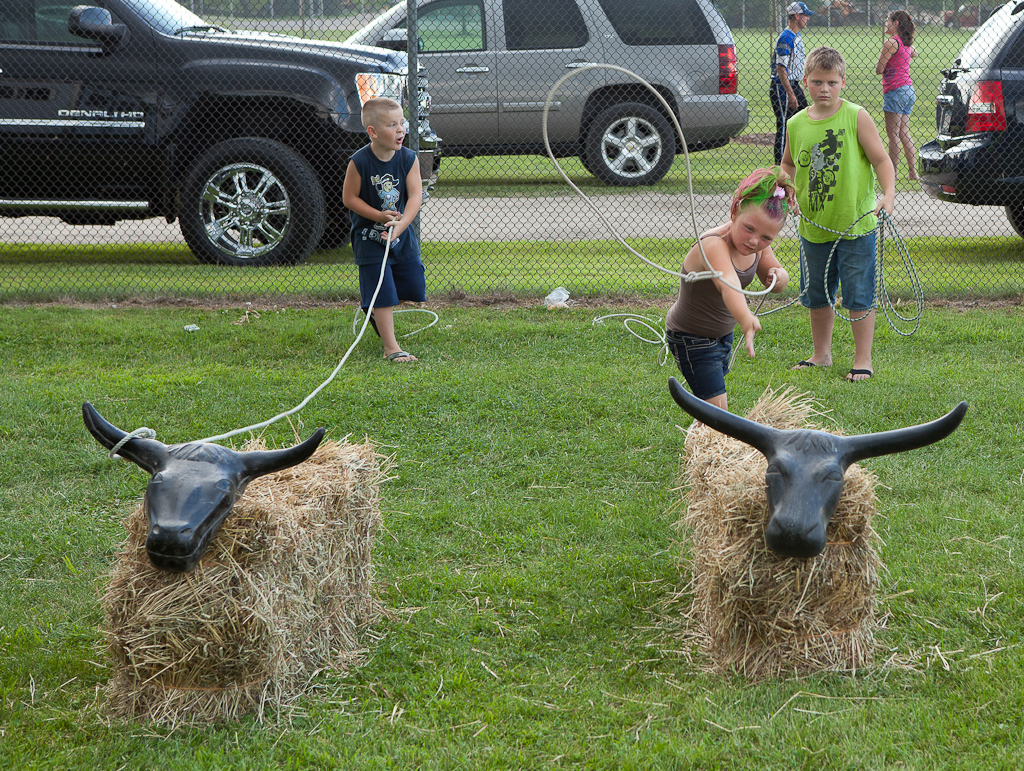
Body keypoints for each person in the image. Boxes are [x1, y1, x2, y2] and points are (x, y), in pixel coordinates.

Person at [781, 46, 896, 382]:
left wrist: (888, 194)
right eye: (817, 82)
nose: (824, 89)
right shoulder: (796, 123)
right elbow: (787, 163)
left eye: (831, 82)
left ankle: (863, 361)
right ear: (804, 82)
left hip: (856, 227)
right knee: (817, 294)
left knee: (859, 294)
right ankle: (821, 354)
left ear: (843, 82)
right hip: (814, 229)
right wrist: (786, 185)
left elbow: (881, 161)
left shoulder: (856, 116)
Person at [665, 167, 793, 411]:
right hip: (692, 338)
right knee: (719, 413)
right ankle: (708, 446)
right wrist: (745, 318)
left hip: (722, 336)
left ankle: (702, 442)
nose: (755, 241)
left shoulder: (757, 244)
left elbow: (776, 278)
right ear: (734, 212)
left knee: (710, 408)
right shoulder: (714, 245)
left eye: (767, 238)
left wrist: (779, 276)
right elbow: (729, 285)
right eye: (749, 229)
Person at [342, 97, 425, 363]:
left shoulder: (409, 158)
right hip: (369, 239)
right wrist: (378, 215)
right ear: (373, 132)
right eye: (392, 124)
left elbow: (415, 196)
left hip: (400, 236)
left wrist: (401, 225)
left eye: (402, 122)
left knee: (413, 284)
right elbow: (350, 198)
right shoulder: (359, 162)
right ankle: (391, 347)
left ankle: (373, 308)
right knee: (382, 292)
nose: (401, 129)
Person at [875, 10, 919, 181]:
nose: (885, 23)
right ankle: (912, 172)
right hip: (908, 89)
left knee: (893, 134)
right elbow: (914, 53)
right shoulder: (905, 43)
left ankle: (893, 172)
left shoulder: (891, 43)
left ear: (896, 24)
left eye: (888, 21)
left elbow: (879, 69)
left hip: (895, 90)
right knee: (904, 132)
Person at [770, 2, 814, 165]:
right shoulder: (786, 37)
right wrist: (790, 92)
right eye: (805, 15)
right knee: (784, 126)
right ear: (796, 16)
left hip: (793, 84)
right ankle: (779, 166)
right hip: (781, 87)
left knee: (804, 118)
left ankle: (797, 158)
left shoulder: (796, 36)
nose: (807, 19)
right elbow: (781, 68)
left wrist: (796, 85)